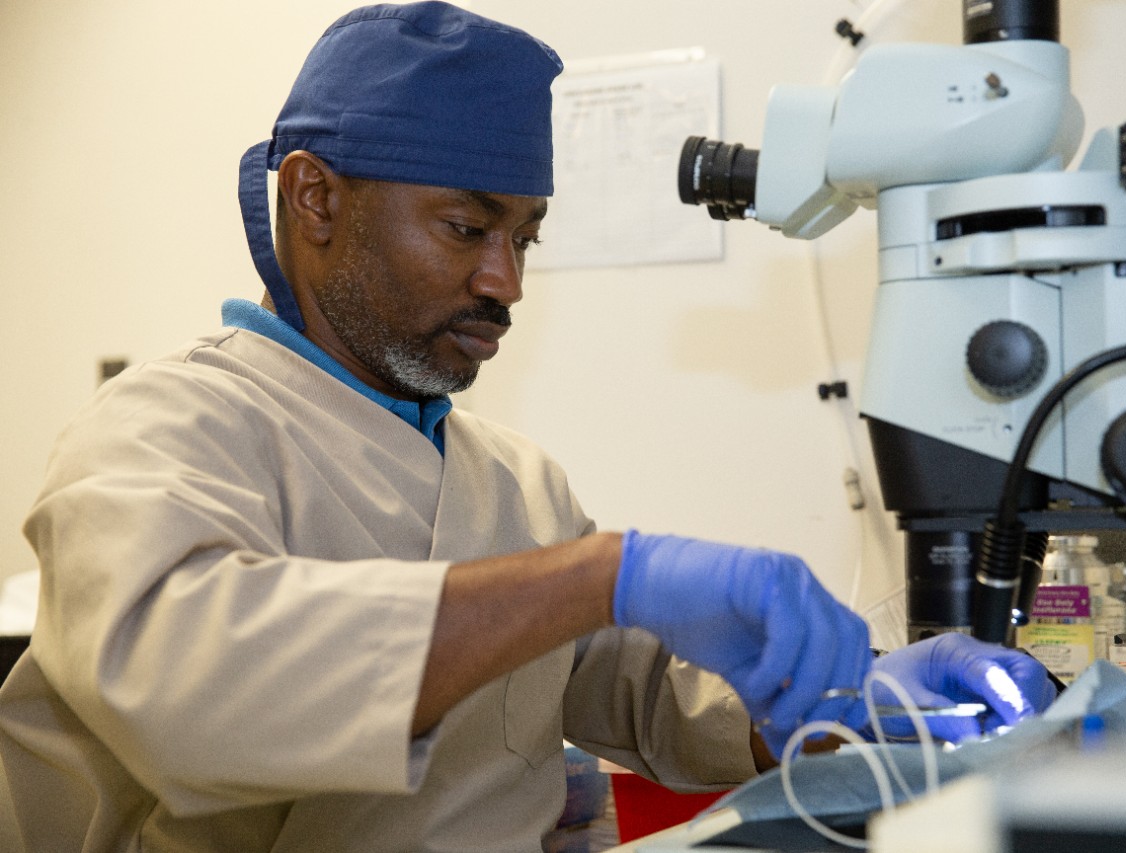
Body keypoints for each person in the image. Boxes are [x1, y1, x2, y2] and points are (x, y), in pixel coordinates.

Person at [0, 3, 1055, 850]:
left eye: (525, 236)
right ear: (314, 200)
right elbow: (178, 679)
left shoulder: (510, 479)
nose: (504, 280)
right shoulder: (162, 427)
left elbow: (634, 685)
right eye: (467, 227)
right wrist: (593, 575)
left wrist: (840, 698)